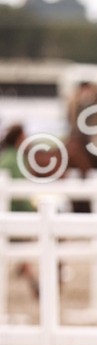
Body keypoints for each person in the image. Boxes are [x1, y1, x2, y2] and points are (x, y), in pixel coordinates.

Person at [0, 124, 38, 298]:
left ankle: (26, 269)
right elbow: (21, 196)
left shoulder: (6, 158)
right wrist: (33, 210)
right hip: (13, 214)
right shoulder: (16, 161)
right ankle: (27, 271)